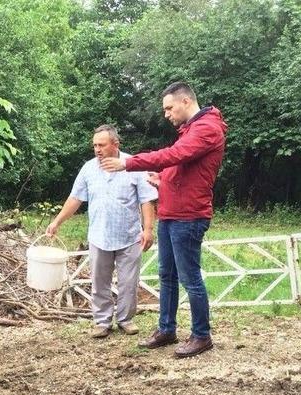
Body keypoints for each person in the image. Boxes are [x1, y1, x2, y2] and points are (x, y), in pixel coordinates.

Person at [99, 82, 227, 358]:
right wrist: (163, 180)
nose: (167, 114)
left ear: (185, 101)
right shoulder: (190, 130)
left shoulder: (207, 129)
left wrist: (128, 163)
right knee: (167, 276)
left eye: (169, 108)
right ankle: (166, 329)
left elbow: (175, 155)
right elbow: (181, 167)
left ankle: (201, 335)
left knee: (190, 278)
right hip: (171, 212)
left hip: (189, 216)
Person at [46, 125, 157, 338]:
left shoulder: (133, 166)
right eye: (95, 145)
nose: (97, 149)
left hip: (129, 236)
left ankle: (125, 319)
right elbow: (75, 198)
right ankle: (102, 321)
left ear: (115, 144)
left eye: (102, 145)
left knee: (128, 282)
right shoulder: (88, 169)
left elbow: (146, 200)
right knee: (99, 282)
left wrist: (148, 229)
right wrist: (57, 221)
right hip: (99, 236)